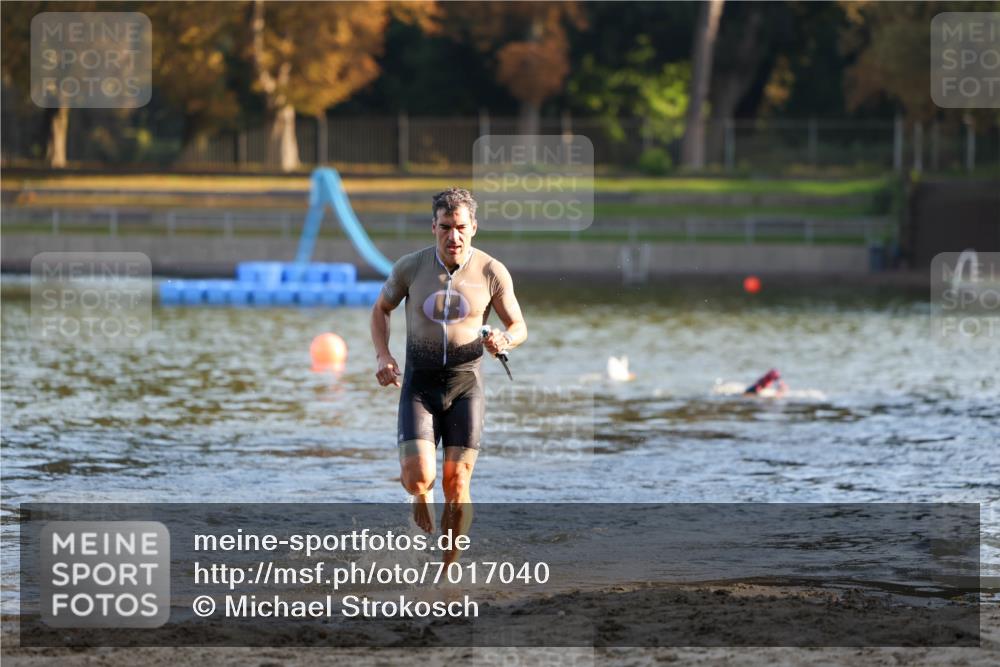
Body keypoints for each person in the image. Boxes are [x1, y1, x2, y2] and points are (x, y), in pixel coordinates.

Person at [370, 188, 527, 561]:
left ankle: (448, 568)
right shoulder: (411, 267)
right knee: (417, 476)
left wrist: (505, 340)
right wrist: (382, 355)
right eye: (445, 227)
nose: (452, 236)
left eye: (460, 227)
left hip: (466, 385)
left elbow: (519, 325)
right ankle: (420, 495)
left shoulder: (491, 271)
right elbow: (381, 309)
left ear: (473, 227)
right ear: (433, 227)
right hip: (419, 386)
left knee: (457, 483)